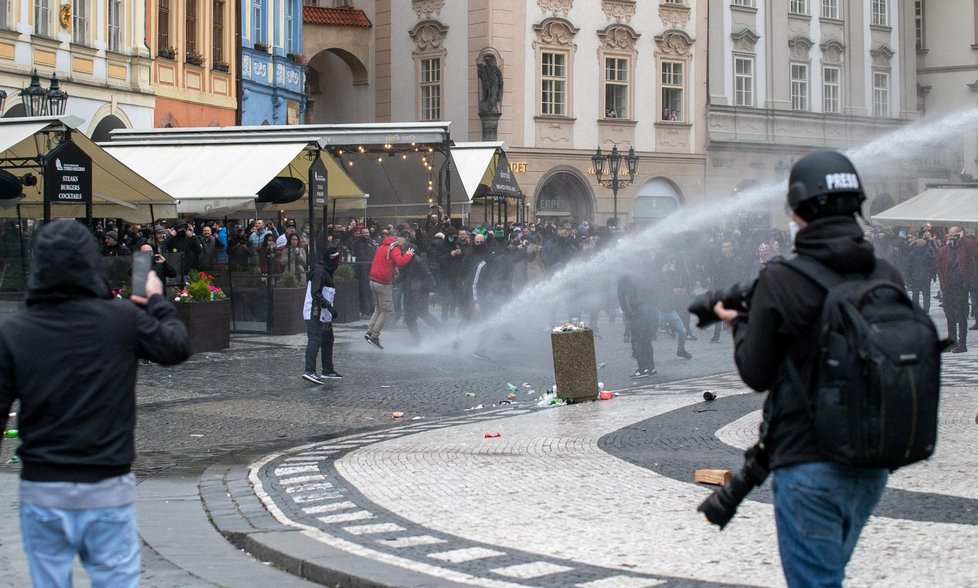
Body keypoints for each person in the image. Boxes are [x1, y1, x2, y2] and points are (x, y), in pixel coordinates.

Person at [713, 151, 896, 587]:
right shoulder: (885, 273)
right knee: (828, 572)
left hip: (809, 459)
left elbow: (755, 373)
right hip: (873, 459)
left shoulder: (782, 279)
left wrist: (738, 323)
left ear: (799, 209)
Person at [0, 220, 191, 587]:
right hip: (106, 480)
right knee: (115, 579)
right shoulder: (122, 320)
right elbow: (176, 346)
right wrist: (155, 299)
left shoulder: (14, 332)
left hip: (42, 484)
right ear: (91, 263)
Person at [365, 231, 415, 349]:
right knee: (386, 310)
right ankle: (374, 336)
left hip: (373, 281)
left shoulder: (382, 246)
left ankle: (369, 331)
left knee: (378, 308)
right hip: (383, 283)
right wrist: (408, 254)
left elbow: (387, 261)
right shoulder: (394, 248)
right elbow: (401, 261)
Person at [934, 226, 978, 352]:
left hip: (961, 286)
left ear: (960, 235)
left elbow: (975, 247)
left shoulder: (965, 249)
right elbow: (938, 266)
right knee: (950, 316)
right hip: (948, 287)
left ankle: (962, 343)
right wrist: (943, 284)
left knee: (962, 315)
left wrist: (962, 239)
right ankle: (952, 341)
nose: (952, 238)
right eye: (950, 235)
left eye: (955, 235)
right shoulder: (944, 250)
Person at [302, 247, 342, 383]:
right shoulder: (320, 271)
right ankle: (309, 370)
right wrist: (329, 307)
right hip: (315, 311)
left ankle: (327, 370)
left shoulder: (327, 270)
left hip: (323, 312)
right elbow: (315, 293)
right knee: (315, 339)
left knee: (328, 339)